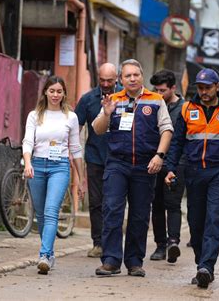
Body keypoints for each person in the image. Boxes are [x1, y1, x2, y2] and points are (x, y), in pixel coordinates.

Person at [165, 68, 219, 289]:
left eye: (207, 88)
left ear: (217, 87)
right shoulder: (187, 109)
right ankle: (201, 263)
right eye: (200, 88)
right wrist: (170, 168)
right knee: (196, 221)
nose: (203, 92)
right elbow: (176, 143)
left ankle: (207, 267)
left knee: (215, 219)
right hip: (193, 173)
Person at [92, 59, 173, 277]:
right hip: (117, 163)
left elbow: (166, 129)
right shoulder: (113, 100)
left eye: (136, 74)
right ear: (121, 79)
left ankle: (135, 261)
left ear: (142, 75)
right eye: (128, 76)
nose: (132, 79)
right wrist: (107, 113)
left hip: (145, 165)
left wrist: (159, 156)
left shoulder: (156, 100)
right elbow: (98, 129)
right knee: (112, 210)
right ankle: (110, 260)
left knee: (139, 215)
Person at [22, 76, 85, 275]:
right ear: (45, 92)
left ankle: (43, 255)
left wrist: (81, 179)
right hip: (37, 166)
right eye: (52, 91)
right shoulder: (34, 115)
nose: (55, 95)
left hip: (60, 167)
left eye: (59, 91)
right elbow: (28, 142)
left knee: (51, 211)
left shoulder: (71, 117)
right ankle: (49, 254)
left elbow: (75, 149)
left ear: (64, 93)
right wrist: (28, 163)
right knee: (40, 215)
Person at [75, 63, 121, 258]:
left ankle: (113, 242)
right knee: (96, 201)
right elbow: (75, 128)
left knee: (114, 202)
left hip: (119, 157)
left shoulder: (125, 98)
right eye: (102, 80)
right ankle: (98, 243)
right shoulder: (87, 100)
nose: (105, 84)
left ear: (117, 78)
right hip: (95, 157)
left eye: (109, 80)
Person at [148, 70, 186, 263]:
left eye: (163, 90)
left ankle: (173, 242)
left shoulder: (184, 108)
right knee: (156, 205)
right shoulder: (153, 104)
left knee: (173, 203)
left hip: (177, 163)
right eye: (156, 89)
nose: (159, 93)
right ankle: (160, 245)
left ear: (173, 88)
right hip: (155, 161)